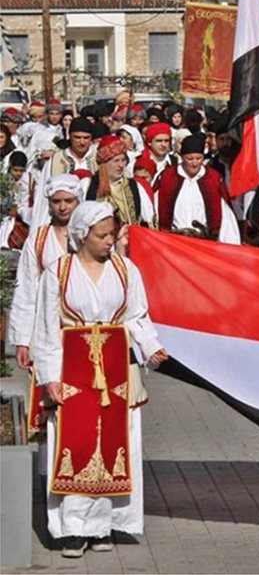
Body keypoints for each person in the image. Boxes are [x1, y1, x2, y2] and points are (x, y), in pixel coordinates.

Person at [31, 201, 170, 558]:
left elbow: (137, 315)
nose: (110, 241)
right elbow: (46, 329)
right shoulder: (57, 272)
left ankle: (105, 524)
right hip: (73, 366)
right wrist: (49, 377)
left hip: (115, 370)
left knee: (114, 442)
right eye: (102, 235)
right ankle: (73, 529)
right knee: (74, 444)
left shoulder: (126, 270)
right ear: (82, 236)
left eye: (111, 234)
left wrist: (151, 346)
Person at [9, 175, 82, 371]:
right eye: (57, 201)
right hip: (47, 330)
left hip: (84, 330)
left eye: (69, 201)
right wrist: (22, 340)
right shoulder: (38, 240)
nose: (63, 207)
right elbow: (25, 291)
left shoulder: (90, 237)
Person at [154, 133, 240, 244]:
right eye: (189, 159)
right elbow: (154, 207)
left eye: (198, 158)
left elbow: (226, 216)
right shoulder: (167, 177)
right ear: (182, 157)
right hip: (172, 242)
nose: (194, 163)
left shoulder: (213, 179)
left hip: (204, 242)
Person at [84, 135, 155, 228]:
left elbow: (149, 220)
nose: (121, 165)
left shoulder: (134, 186)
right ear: (104, 163)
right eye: (116, 161)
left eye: (123, 160)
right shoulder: (87, 185)